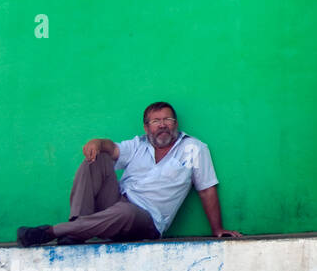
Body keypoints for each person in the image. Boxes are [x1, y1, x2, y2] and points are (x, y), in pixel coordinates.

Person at [16, 101, 242, 246]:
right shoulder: (137, 144)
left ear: (176, 124)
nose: (162, 125)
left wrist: (218, 230)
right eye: (156, 121)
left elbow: (207, 190)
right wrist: (96, 142)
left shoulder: (194, 149)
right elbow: (110, 148)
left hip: (147, 219)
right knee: (97, 159)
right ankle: (77, 228)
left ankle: (52, 232)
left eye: (167, 120)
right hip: (116, 204)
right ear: (146, 127)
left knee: (125, 212)